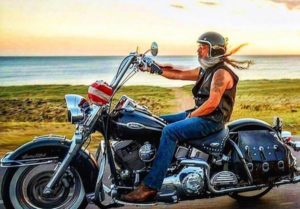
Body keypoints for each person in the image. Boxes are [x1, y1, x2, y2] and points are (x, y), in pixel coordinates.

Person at [121, 31, 252, 203]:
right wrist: (152, 67)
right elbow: (178, 73)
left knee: (169, 131)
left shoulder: (221, 73)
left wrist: (190, 116)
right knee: (156, 121)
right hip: (202, 115)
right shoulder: (206, 70)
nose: (198, 50)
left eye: (203, 47)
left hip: (212, 121)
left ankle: (150, 187)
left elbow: (212, 103)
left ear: (214, 50)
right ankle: (153, 167)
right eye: (199, 47)